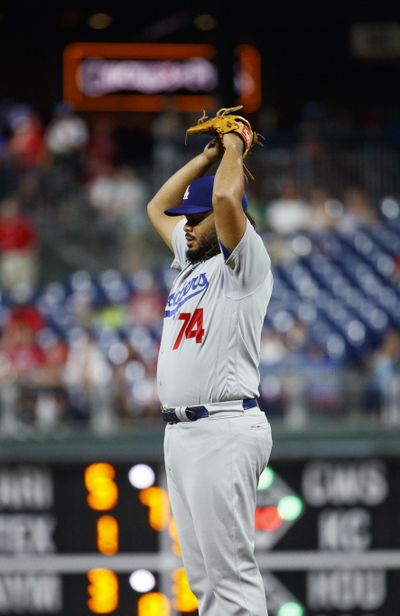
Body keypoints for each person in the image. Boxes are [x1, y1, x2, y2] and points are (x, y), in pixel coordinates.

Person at [147, 127, 274, 615]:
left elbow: (225, 196)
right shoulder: (193, 261)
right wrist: (203, 160)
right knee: (204, 580)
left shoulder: (243, 263)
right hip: (183, 432)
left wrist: (235, 146)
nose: (186, 226)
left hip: (223, 424)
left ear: (220, 219)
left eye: (194, 219)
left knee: (230, 576)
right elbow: (156, 209)